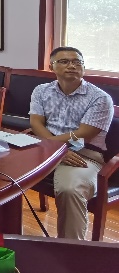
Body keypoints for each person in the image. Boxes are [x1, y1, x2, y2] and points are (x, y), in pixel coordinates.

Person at [30, 46, 113, 240]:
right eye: (64, 61)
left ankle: (70, 249)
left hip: (84, 154)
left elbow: (83, 134)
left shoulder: (100, 98)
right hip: (48, 149)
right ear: (51, 66)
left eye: (77, 62)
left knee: (70, 190)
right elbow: (36, 122)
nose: (72, 66)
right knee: (3, 168)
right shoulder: (41, 91)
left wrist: (51, 148)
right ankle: (2, 238)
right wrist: (54, 150)